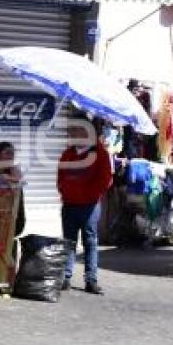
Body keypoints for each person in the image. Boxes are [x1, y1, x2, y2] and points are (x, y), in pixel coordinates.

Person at [57, 113, 113, 295]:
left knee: (90, 242)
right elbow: (61, 176)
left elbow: (105, 179)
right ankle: (66, 277)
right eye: (70, 130)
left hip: (89, 206)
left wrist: (90, 193)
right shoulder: (68, 153)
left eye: (74, 129)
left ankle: (91, 280)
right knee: (69, 242)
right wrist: (65, 191)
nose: (70, 133)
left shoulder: (99, 153)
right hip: (69, 205)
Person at [0, 141, 26, 236]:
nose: (11, 157)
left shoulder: (15, 171)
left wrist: (9, 176)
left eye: (13, 154)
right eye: (8, 153)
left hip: (13, 221)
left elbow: (17, 185)